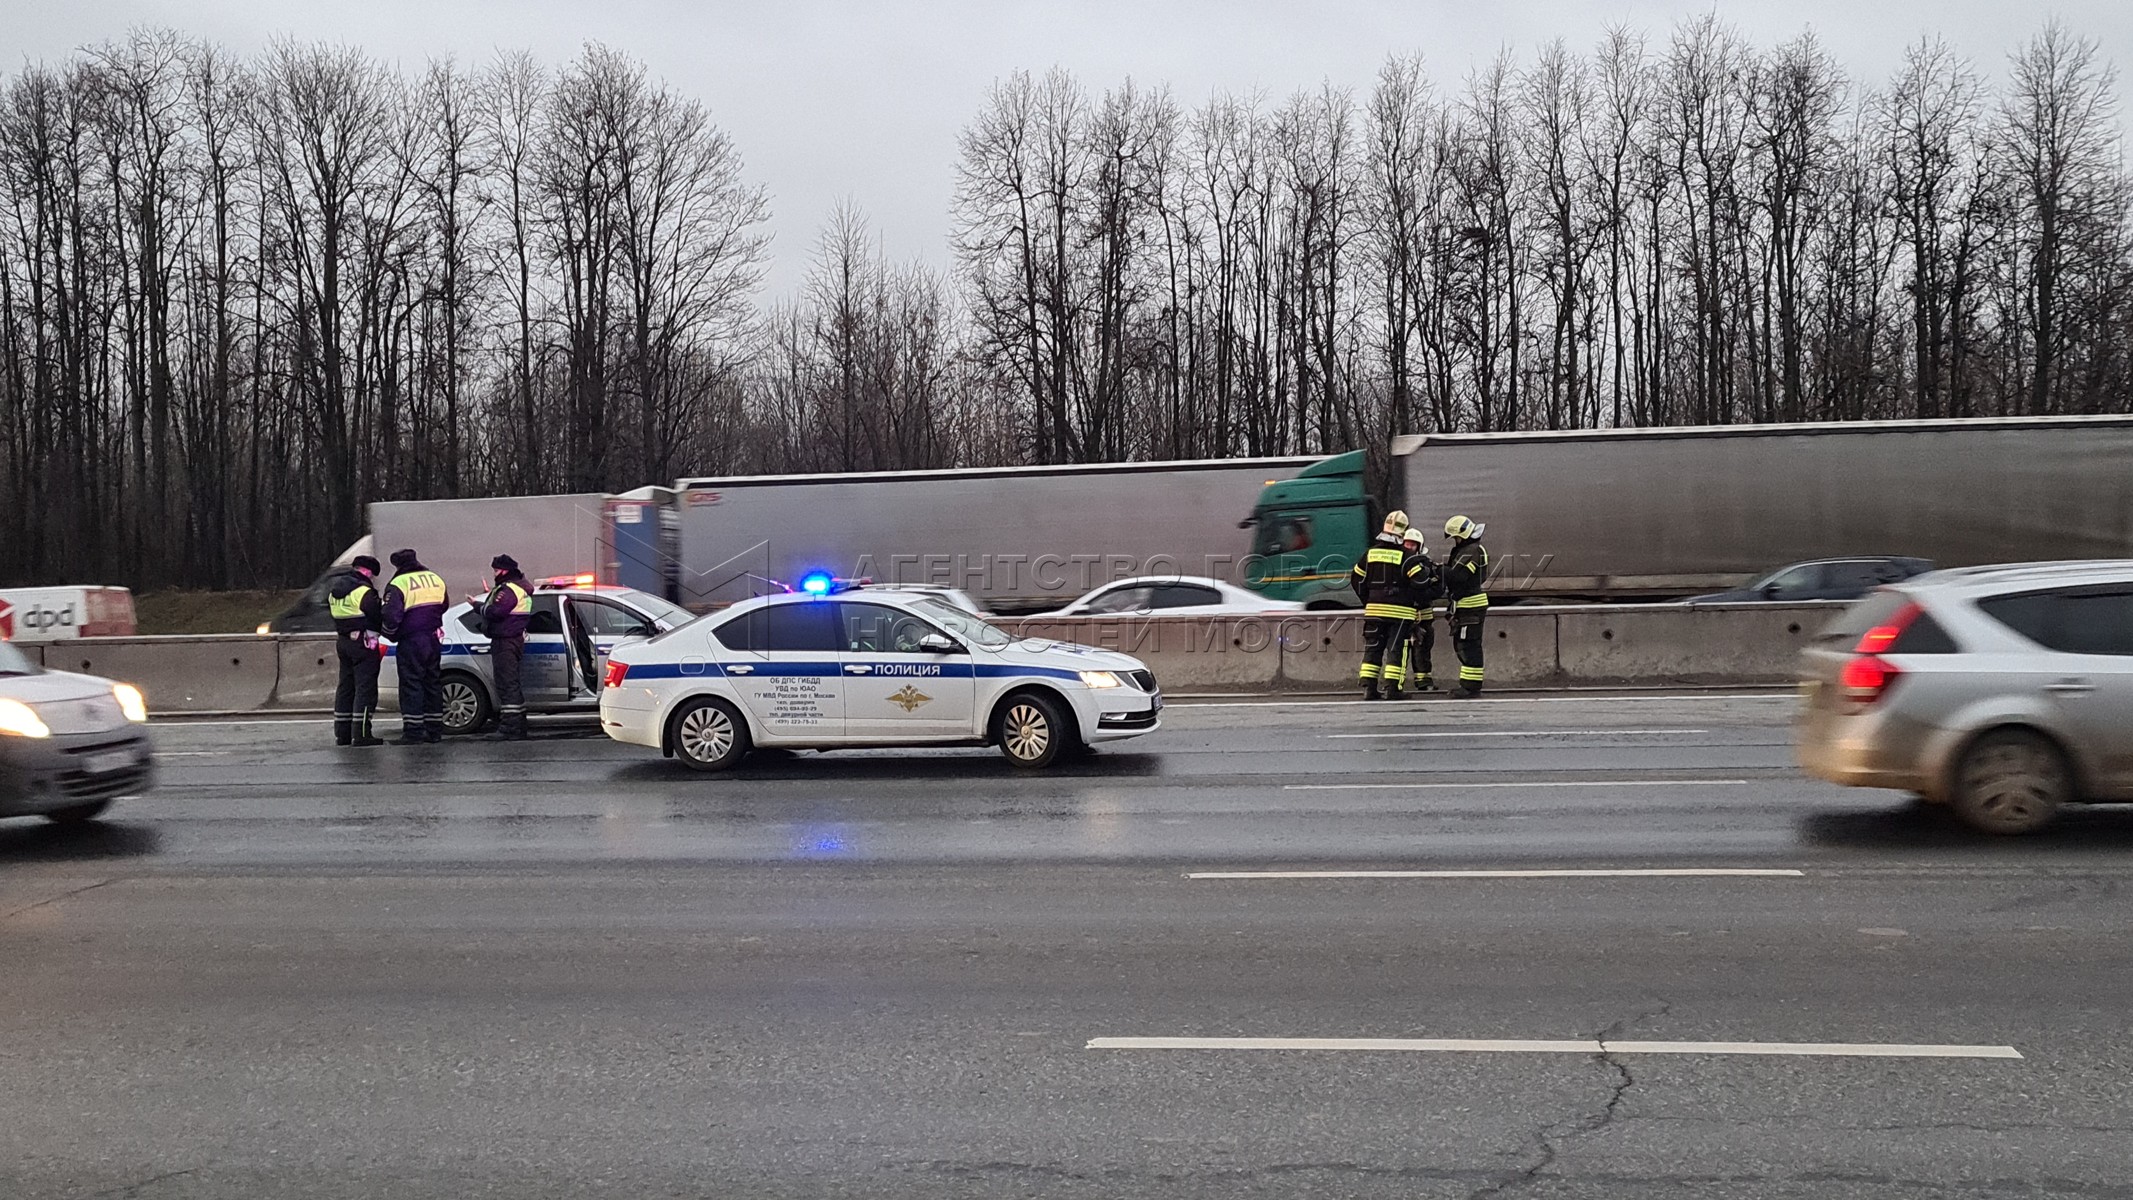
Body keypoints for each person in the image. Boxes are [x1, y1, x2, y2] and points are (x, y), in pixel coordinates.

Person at [1350, 510, 1428, 701]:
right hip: (1400, 612)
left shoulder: (1370, 553)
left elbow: (1356, 578)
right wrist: (1414, 599)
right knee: (1396, 648)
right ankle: (1393, 689)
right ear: (1403, 532)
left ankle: (1369, 688)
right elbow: (1421, 582)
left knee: (1373, 647)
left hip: (1374, 610)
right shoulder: (1408, 556)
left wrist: (1368, 599)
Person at [382, 548, 449, 744]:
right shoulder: (434, 578)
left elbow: (391, 615)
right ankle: (434, 730)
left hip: (411, 640)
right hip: (432, 637)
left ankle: (414, 730)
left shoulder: (398, 583)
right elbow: (444, 604)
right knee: (432, 682)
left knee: (411, 683)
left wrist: (390, 634)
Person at [474, 555, 534, 740]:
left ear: (505, 570)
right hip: (513, 639)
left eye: (496, 570)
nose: (494, 573)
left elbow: (496, 612)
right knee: (511, 683)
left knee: (507, 684)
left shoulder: (509, 590)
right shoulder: (520, 587)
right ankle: (519, 725)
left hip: (505, 641)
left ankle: (511, 729)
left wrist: (477, 606)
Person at [328, 555, 385, 746]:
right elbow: (377, 616)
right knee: (365, 688)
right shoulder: (364, 592)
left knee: (346, 687)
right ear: (367, 571)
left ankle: (342, 733)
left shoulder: (335, 591)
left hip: (343, 642)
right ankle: (362, 734)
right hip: (363, 643)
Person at [1442, 515, 1491, 698]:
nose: (1455, 541)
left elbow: (1459, 577)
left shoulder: (1472, 551)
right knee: (1464, 644)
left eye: (1456, 538)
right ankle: (1469, 685)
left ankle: (1470, 687)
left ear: (1462, 535)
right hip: (1465, 605)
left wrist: (1438, 570)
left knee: (1468, 645)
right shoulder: (1470, 549)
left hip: (1470, 606)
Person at [1396, 524, 1443, 695]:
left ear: (1419, 546)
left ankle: (1424, 682)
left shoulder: (1428, 566)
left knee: (1423, 650)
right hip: (1403, 616)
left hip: (1423, 616)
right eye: (1406, 544)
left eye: (1413, 544)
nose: (1409, 547)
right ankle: (1396, 684)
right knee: (1400, 650)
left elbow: (1438, 588)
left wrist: (1423, 594)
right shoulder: (1398, 564)